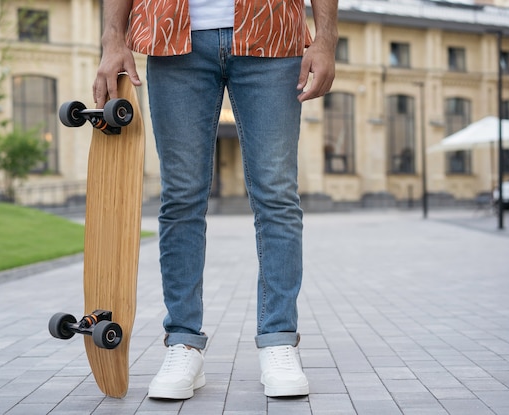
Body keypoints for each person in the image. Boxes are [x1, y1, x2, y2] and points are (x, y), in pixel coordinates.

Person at [93, 0, 338, 400]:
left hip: (273, 32)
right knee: (180, 198)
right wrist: (112, 38)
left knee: (277, 195)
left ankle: (278, 340)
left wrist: (326, 39)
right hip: (172, 34)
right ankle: (183, 343)